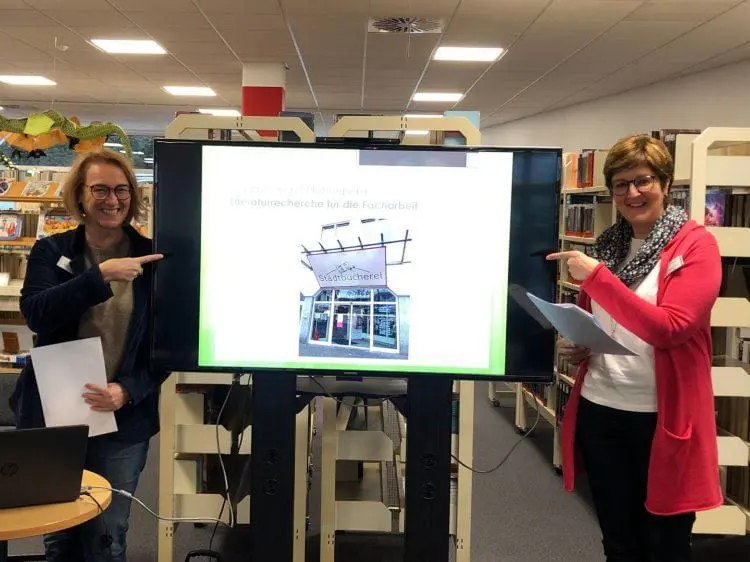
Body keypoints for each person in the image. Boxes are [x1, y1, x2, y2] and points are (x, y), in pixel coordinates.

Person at [547, 134, 723, 562]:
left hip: (660, 418)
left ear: (665, 183)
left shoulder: (696, 245)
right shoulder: (610, 244)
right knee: (618, 541)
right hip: (601, 409)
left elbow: (671, 329)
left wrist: (597, 279)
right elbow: (610, 319)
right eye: (621, 184)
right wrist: (584, 343)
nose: (632, 193)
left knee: (665, 543)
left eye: (643, 180)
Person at [10, 148, 166, 561]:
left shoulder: (153, 258)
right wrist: (100, 276)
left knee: (107, 537)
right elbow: (37, 313)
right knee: (58, 535)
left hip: (122, 420)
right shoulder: (52, 251)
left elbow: (166, 346)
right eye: (100, 189)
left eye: (121, 190)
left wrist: (127, 390)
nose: (112, 200)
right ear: (79, 195)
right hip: (54, 417)